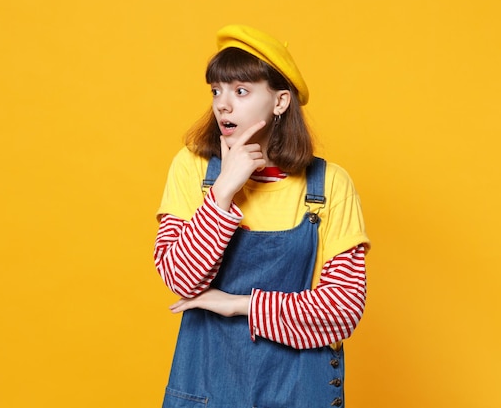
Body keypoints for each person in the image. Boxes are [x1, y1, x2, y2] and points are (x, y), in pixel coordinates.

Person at [154, 24, 370, 408]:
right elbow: (181, 279)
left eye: (241, 91)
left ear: (281, 101)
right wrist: (223, 191)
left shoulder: (329, 185)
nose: (223, 104)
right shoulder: (193, 169)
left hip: (300, 391)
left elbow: (342, 309)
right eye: (216, 90)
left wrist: (240, 304)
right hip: (207, 390)